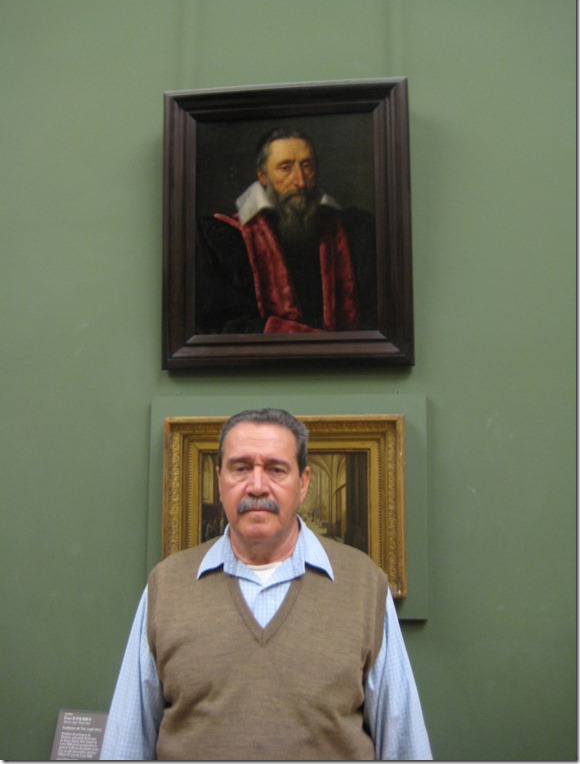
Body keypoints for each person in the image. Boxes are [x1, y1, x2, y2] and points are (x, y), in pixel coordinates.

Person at [100, 409, 432, 760]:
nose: (257, 486)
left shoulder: (363, 585)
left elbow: (404, 746)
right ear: (220, 480)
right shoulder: (167, 586)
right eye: (241, 468)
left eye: (276, 469)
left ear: (303, 483)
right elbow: (126, 746)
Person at [196, 128, 378, 334]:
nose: (300, 181)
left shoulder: (352, 232)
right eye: (285, 168)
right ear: (262, 176)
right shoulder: (228, 239)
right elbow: (224, 324)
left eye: (307, 166)